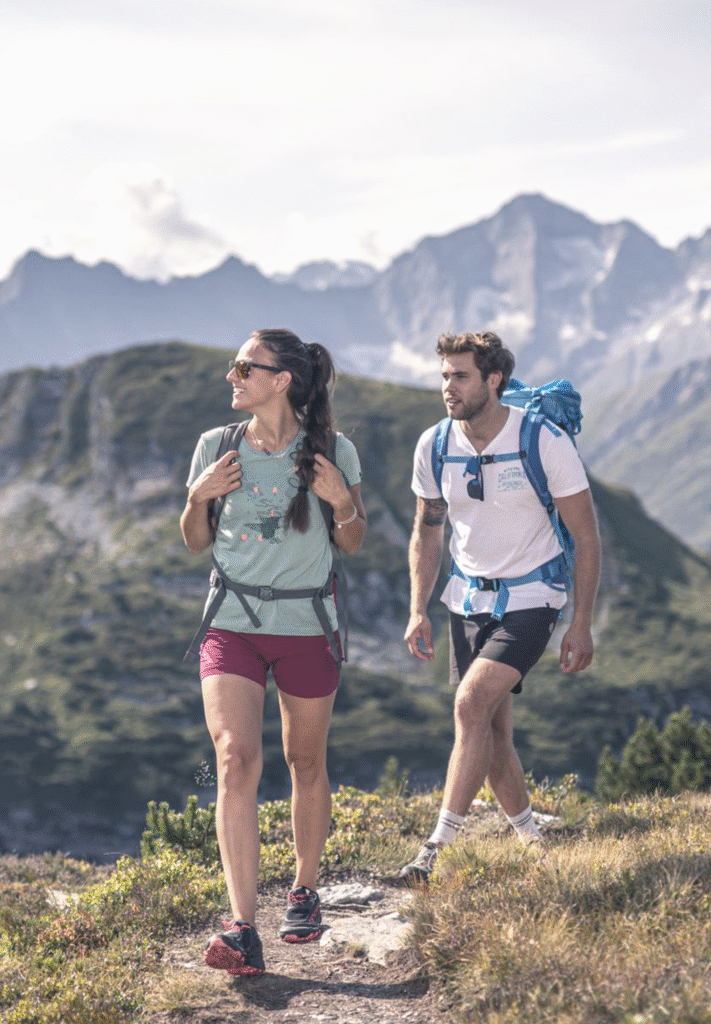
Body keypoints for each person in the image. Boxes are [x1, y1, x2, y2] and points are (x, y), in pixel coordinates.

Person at [180, 328, 366, 975]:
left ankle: (304, 891)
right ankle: (241, 928)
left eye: (244, 367)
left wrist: (341, 502)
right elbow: (194, 541)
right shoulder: (216, 446)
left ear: (281, 380)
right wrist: (198, 497)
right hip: (231, 623)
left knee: (304, 761)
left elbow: (354, 539)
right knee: (234, 759)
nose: (231, 377)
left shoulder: (334, 451)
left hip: (307, 626)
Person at [400, 330, 600, 883]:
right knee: (492, 732)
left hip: (534, 595)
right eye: (444, 375)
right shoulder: (434, 444)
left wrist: (581, 622)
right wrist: (418, 608)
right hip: (467, 598)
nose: (448, 387)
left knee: (470, 705)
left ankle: (436, 849)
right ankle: (532, 841)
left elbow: (587, 536)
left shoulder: (543, 440)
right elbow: (428, 529)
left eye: (461, 376)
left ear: (493, 380)